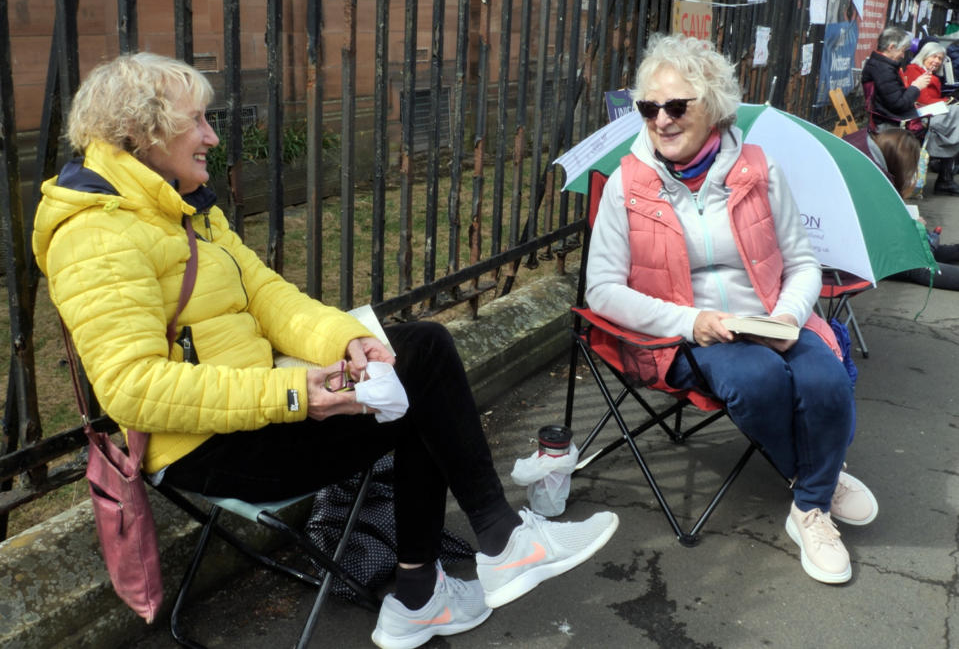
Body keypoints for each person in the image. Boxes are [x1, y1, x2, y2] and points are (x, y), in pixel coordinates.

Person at [31, 53, 619, 649]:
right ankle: (489, 549)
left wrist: (351, 341)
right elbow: (132, 390)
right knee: (424, 364)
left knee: (404, 363)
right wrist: (292, 393)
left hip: (259, 410)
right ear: (142, 131)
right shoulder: (96, 232)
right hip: (208, 446)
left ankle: (428, 590)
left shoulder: (183, 206)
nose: (212, 136)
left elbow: (269, 297)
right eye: (199, 121)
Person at [585, 34, 878, 585]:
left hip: (772, 316)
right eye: (649, 108)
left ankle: (811, 496)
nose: (661, 120)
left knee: (826, 378)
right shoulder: (629, 183)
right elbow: (601, 290)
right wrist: (690, 321)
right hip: (688, 334)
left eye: (677, 106)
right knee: (759, 379)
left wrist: (789, 317)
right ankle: (816, 489)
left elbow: (803, 264)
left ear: (714, 106)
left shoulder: (759, 170)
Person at [845, 127, 959, 289]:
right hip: (853, 255)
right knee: (916, 264)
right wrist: (909, 228)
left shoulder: (863, 156)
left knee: (921, 249)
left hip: (854, 244)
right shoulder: (873, 177)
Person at [862, 27, 959, 195]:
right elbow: (899, 104)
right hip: (891, 121)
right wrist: (916, 86)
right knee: (950, 121)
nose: (903, 55)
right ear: (891, 47)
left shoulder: (883, 67)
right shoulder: (884, 70)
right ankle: (944, 177)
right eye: (902, 51)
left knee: (952, 118)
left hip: (898, 116)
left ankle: (945, 176)